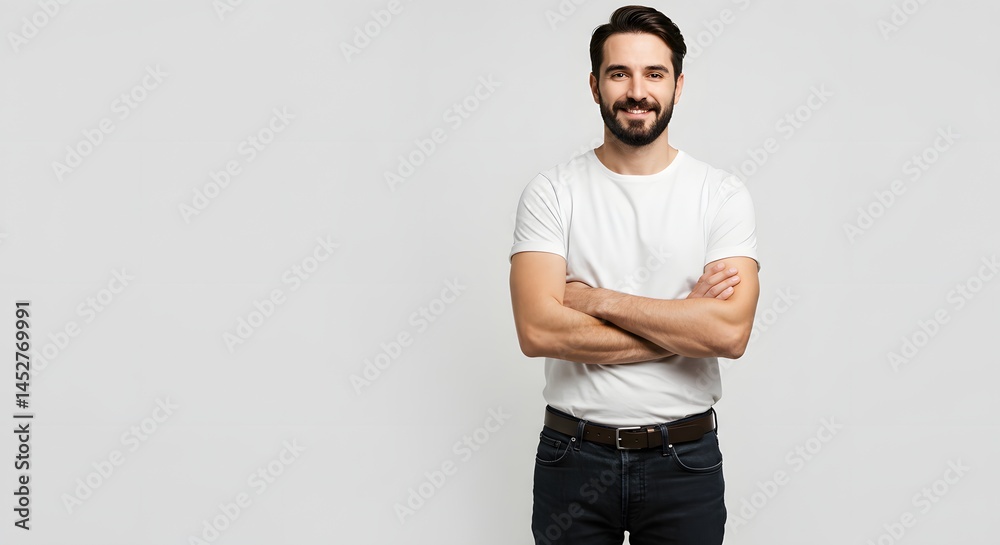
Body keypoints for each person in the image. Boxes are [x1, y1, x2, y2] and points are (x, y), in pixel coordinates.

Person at [508, 5, 762, 544]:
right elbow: (538, 331)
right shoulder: (551, 193)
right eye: (619, 73)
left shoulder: (720, 195)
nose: (637, 91)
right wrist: (684, 323)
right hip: (572, 458)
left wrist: (595, 300)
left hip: (684, 462)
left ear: (678, 85)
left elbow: (729, 334)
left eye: (655, 74)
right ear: (594, 85)